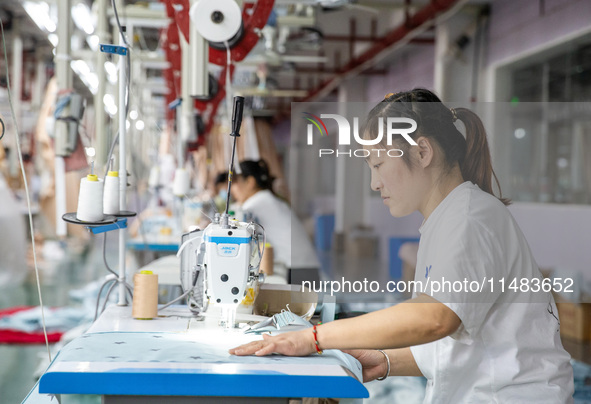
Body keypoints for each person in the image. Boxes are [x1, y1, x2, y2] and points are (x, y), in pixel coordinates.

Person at [230, 89, 574, 403]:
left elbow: (434, 318)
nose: (374, 182)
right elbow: (459, 342)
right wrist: (384, 360)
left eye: (378, 164)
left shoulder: (469, 218)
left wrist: (315, 337)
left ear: (422, 151)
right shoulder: (446, 219)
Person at [230, 159, 320, 280]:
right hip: (305, 267)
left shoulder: (257, 203)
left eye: (235, 183)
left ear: (250, 182)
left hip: (297, 270)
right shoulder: (267, 199)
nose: (232, 190)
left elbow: (234, 225)